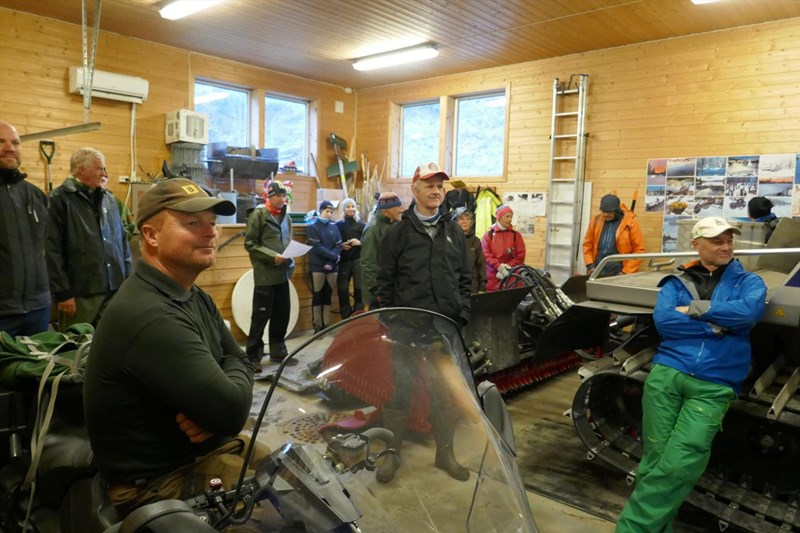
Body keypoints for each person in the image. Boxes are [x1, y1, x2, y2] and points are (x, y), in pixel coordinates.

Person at [84, 178, 266, 516]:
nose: (211, 232)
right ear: (151, 236)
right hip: (154, 483)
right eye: (192, 223)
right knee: (274, 517)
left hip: (201, 450)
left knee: (294, 476)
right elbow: (232, 410)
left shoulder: (191, 294)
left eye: (212, 223)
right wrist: (220, 405)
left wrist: (217, 407)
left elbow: (240, 359)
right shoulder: (149, 314)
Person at [615, 216, 767, 532]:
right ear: (696, 244)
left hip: (714, 383)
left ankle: (630, 529)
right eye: (717, 240)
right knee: (656, 461)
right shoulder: (674, 282)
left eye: (729, 240)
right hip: (667, 374)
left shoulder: (750, 283)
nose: (726, 246)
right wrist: (720, 326)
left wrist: (698, 311)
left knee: (682, 463)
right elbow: (666, 322)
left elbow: (747, 314)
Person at [375, 161, 471, 483]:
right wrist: (391, 320)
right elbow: (383, 282)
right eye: (429, 185)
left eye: (440, 186)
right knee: (400, 391)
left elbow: (465, 280)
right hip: (405, 329)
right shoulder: (397, 234)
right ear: (413, 190)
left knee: (444, 396)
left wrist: (462, 314)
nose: (436, 191)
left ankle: (445, 455)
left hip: (443, 330)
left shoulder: (454, 232)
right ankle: (392, 455)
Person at [46, 147, 132, 331]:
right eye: (100, 168)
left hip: (114, 289)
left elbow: (122, 242)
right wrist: (63, 293)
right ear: (81, 169)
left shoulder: (110, 200)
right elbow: (51, 250)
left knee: (111, 343)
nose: (104, 173)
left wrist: (129, 282)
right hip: (79, 295)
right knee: (77, 349)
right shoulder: (58, 200)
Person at [0, 120, 50, 336]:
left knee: (37, 370)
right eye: (0, 142)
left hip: (37, 309)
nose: (10, 148)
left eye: (16, 142)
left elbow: (48, 249)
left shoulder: (36, 195)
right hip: (2, 312)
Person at [244, 180, 295, 370]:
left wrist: (291, 259)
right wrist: (273, 257)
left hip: (282, 275)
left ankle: (278, 351)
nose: (282, 200)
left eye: (284, 196)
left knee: (282, 314)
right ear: (270, 196)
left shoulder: (286, 218)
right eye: (279, 196)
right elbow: (250, 244)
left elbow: (289, 241)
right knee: (260, 316)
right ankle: (253, 357)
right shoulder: (258, 215)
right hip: (266, 276)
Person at [582, 193, 645, 277]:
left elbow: (639, 251)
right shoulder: (595, 220)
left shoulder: (630, 223)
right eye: (603, 211)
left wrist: (625, 272)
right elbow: (587, 244)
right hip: (597, 269)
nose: (605, 214)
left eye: (609, 212)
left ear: (617, 210)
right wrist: (590, 265)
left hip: (619, 272)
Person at [361, 192, 403, 310]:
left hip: (394, 289)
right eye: (398, 206)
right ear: (388, 209)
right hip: (380, 294)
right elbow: (368, 263)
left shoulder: (396, 225)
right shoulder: (373, 229)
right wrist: (377, 291)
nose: (401, 210)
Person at [307, 200, 342, 332]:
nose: (329, 214)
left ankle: (326, 324)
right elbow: (317, 247)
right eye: (327, 211)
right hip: (317, 266)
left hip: (332, 267)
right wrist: (333, 257)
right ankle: (317, 325)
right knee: (318, 295)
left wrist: (330, 262)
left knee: (328, 295)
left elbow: (338, 245)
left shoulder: (334, 227)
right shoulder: (312, 227)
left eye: (331, 212)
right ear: (320, 210)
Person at [481, 204, 526, 291]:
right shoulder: (488, 236)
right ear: (499, 217)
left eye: (511, 216)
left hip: (513, 276)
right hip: (493, 277)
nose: (510, 219)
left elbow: (520, 255)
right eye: (507, 216)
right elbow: (486, 254)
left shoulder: (516, 235)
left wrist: (508, 267)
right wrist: (499, 267)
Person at [335, 198, 365, 318]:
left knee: (359, 289)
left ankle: (358, 317)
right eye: (347, 206)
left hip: (357, 260)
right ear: (343, 209)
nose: (350, 209)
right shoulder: (338, 225)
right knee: (342, 290)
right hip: (343, 261)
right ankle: (345, 318)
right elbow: (333, 242)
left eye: (352, 206)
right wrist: (341, 245)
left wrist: (360, 242)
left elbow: (368, 241)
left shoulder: (362, 225)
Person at [454, 208, 487, 293]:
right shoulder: (450, 239)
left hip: (472, 287)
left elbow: (481, 265)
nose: (465, 221)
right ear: (456, 221)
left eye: (468, 219)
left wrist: (482, 288)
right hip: (453, 287)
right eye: (461, 219)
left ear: (471, 222)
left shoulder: (475, 241)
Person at [100, 174, 136, 241]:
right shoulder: (85, 202)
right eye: (98, 181)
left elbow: (130, 225)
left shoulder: (116, 203)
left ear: (107, 182)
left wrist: (119, 240)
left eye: (103, 181)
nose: (100, 184)